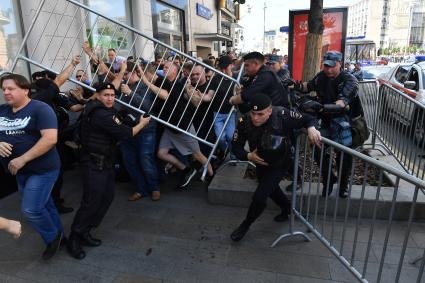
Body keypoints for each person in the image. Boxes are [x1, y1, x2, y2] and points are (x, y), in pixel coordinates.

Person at [67, 80, 151, 260]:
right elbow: (126, 134)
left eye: (113, 95)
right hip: (93, 163)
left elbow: (118, 122)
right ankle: (74, 237)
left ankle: (85, 231)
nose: (110, 98)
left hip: (104, 162)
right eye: (106, 95)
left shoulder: (103, 109)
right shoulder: (99, 114)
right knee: (91, 201)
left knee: (106, 197)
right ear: (97, 95)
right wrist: (142, 124)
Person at [230, 94, 321, 242]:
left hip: (280, 163)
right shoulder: (244, 121)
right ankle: (287, 209)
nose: (255, 118)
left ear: (269, 111)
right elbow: (235, 147)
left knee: (260, 195)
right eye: (253, 113)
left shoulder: (282, 115)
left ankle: (245, 225)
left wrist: (311, 128)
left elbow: (308, 118)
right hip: (260, 161)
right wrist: (248, 156)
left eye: (260, 114)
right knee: (271, 190)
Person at [0, 73, 64, 260]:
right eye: (4, 89)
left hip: (43, 169)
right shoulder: (2, 111)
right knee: (45, 204)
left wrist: (22, 159)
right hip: (19, 171)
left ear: (25, 90)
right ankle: (60, 235)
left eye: (11, 88)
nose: (6, 92)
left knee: (31, 209)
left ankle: (53, 238)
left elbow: (50, 139)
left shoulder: (40, 109)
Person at [291, 51, 362, 198]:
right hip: (327, 121)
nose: (328, 69)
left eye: (332, 66)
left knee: (344, 155)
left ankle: (343, 186)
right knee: (316, 145)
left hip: (346, 122)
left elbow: (341, 104)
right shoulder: (321, 76)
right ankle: (329, 178)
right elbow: (307, 86)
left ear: (340, 64)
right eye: (326, 66)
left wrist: (319, 107)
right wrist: (293, 84)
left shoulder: (350, 80)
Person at [143, 61, 213, 188]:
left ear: (175, 71)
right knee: (161, 153)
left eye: (166, 67)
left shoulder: (179, 84)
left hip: (181, 126)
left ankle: (211, 176)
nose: (163, 69)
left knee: (198, 155)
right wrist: (145, 74)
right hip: (169, 127)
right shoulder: (165, 82)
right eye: (163, 67)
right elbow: (155, 79)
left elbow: (165, 95)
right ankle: (185, 169)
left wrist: (146, 81)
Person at [115, 62, 160, 201]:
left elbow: (147, 106)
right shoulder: (123, 86)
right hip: (129, 128)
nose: (123, 76)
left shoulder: (144, 86)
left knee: (145, 158)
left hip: (146, 128)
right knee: (129, 160)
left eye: (126, 73)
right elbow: (121, 106)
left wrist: (130, 93)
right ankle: (140, 189)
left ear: (134, 73)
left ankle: (154, 188)